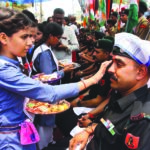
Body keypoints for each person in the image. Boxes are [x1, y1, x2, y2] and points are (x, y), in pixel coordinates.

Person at [0, 7, 112, 150]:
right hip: (10, 138)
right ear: (3, 38)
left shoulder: (12, 63)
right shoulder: (3, 69)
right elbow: (49, 93)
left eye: (31, 36)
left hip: (18, 128)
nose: (30, 42)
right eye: (24, 37)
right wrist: (92, 79)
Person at [69, 32, 150, 150]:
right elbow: (111, 127)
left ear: (140, 72)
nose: (111, 69)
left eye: (119, 64)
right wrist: (90, 129)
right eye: (112, 62)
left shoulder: (142, 120)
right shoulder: (121, 94)